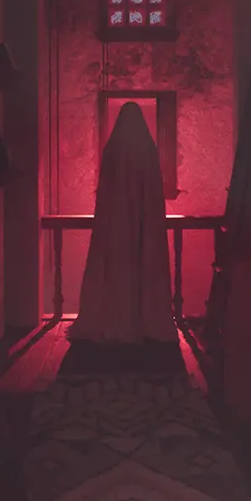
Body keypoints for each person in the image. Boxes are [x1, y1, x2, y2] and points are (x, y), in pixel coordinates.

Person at [66, 102, 177, 345]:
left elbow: (105, 191)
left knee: (114, 268)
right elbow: (153, 194)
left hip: (114, 225)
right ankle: (145, 320)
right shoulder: (147, 149)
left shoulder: (113, 149)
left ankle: (112, 318)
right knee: (144, 265)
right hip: (143, 225)